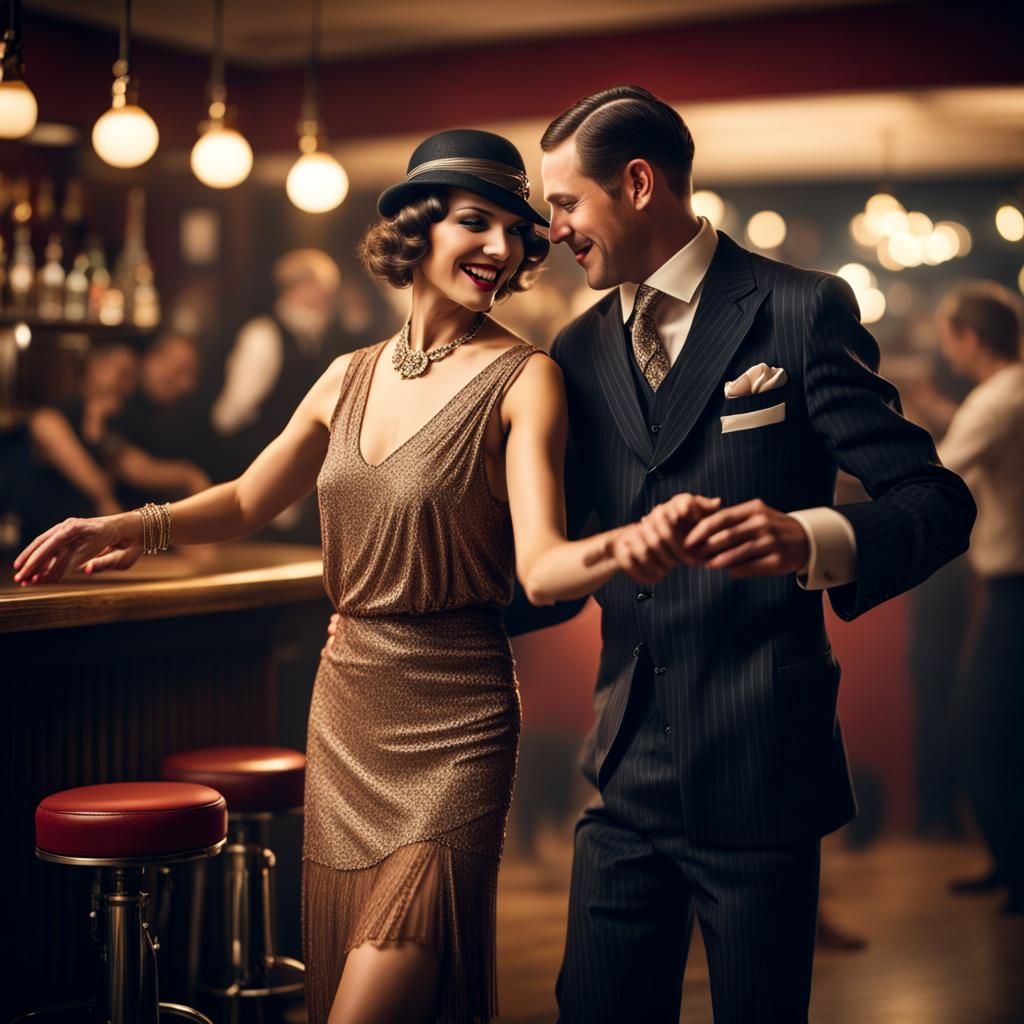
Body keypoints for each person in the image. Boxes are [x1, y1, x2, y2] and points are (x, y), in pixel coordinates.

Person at [11, 129, 720, 1024]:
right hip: (346, 704)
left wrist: (627, 545)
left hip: (456, 719)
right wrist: (121, 523)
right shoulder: (345, 376)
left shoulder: (525, 379)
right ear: (415, 228)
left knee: (375, 992)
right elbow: (241, 501)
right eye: (476, 222)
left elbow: (540, 566)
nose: (501, 249)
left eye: (516, 231)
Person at [522, 86, 975, 1023]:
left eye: (565, 201)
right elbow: (555, 557)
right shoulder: (573, 347)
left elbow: (936, 499)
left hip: (762, 759)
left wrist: (812, 535)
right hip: (625, 769)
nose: (552, 225)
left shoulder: (802, 310)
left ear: (638, 183)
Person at [934, 282, 1024, 914]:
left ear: (968, 338)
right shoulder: (1011, 394)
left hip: (1014, 589)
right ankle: (1008, 864)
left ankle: (1017, 874)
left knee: (977, 729)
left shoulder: (995, 401)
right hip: (1011, 586)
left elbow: (936, 480)